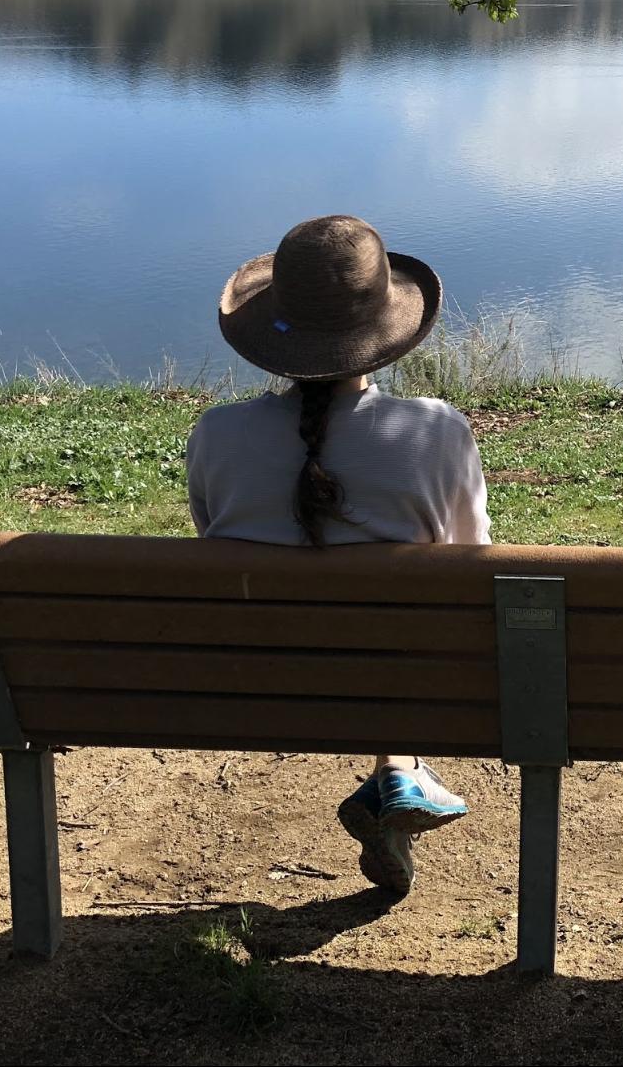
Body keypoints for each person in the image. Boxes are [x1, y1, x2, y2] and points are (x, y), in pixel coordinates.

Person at [186, 214, 490, 895]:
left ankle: (397, 777)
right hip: (411, 675)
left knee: (360, 637)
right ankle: (400, 771)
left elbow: (214, 541)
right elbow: (474, 567)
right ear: (387, 327)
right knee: (394, 637)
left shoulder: (217, 434)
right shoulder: (436, 431)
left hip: (255, 683)